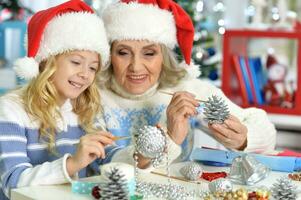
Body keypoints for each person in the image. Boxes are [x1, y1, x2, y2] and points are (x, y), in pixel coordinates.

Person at [99, 0, 276, 168]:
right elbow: (105, 162)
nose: (136, 67)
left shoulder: (187, 89)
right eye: (123, 53)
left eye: (149, 53)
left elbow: (262, 127)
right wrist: (170, 139)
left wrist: (244, 139)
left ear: (163, 57)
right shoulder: (94, 95)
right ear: (109, 55)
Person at [0, 1, 125, 199]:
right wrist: (72, 163)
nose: (85, 74)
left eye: (92, 67)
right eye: (76, 62)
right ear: (47, 61)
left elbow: (109, 156)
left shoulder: (84, 107)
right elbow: (12, 182)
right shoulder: (11, 109)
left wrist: (142, 152)